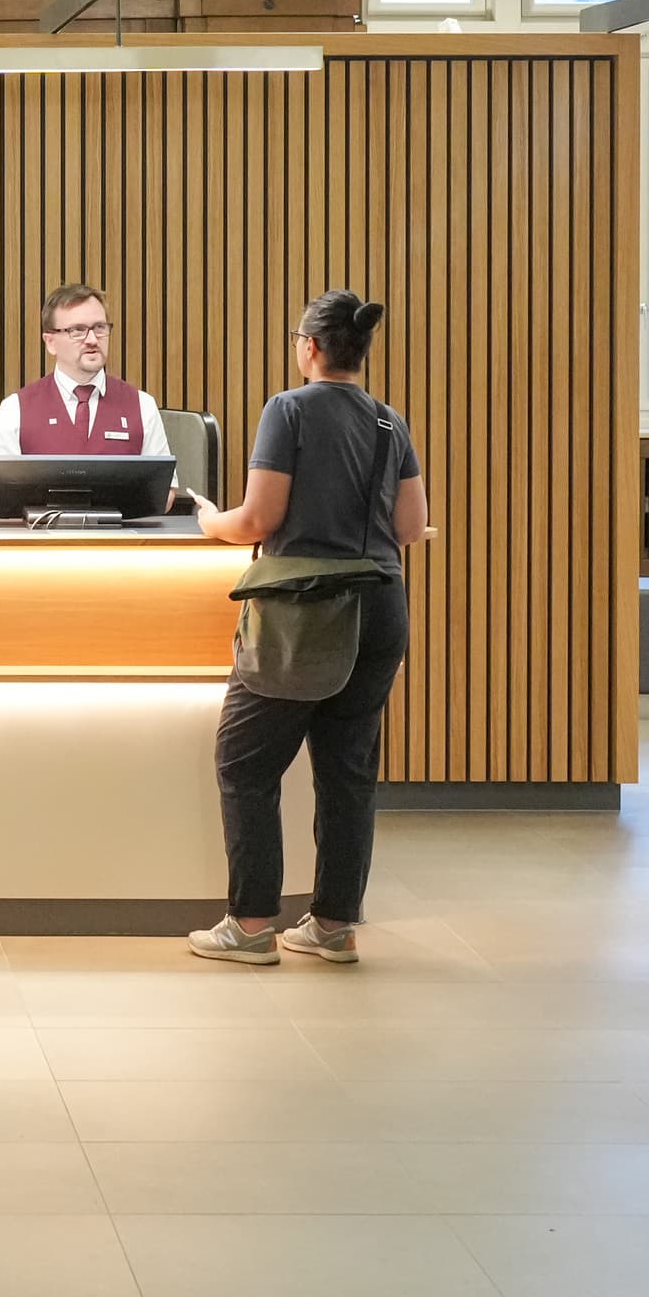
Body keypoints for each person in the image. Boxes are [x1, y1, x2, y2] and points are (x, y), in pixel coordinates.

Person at [182, 289, 430, 964]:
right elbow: (410, 527)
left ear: (310, 346)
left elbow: (257, 519)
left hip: (303, 612)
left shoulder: (287, 409)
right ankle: (331, 926)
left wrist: (208, 519)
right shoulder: (388, 422)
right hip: (380, 608)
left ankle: (253, 923)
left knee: (243, 763)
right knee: (348, 772)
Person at [0, 283, 177, 460]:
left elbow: (164, 490)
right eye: (77, 330)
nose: (92, 339)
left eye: (99, 327)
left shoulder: (143, 406)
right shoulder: (15, 410)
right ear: (50, 342)